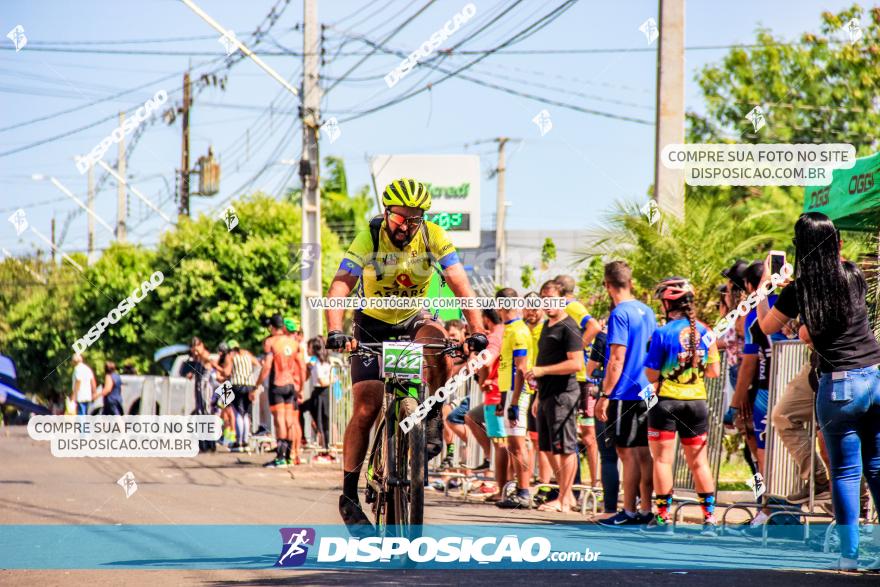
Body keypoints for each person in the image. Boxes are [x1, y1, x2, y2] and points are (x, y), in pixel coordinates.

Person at [323, 178, 487, 533]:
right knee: (367, 405)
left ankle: (428, 416)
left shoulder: (433, 236)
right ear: (387, 213)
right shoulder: (369, 238)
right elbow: (340, 285)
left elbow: (461, 284)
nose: (408, 226)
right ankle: (349, 494)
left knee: (440, 344)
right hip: (372, 325)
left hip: (413, 321)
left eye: (415, 218)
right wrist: (335, 330)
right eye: (402, 218)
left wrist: (477, 330)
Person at [756, 212, 880, 571]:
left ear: (801, 248)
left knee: (845, 472)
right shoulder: (853, 275)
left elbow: (766, 326)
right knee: (875, 467)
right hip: (874, 377)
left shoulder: (800, 290)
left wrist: (765, 288)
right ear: (835, 242)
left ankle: (849, 557)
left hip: (840, 386)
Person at [642, 277, 721, 536]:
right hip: (696, 402)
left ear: (668, 304)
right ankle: (709, 519)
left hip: (666, 402)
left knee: (663, 461)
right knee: (700, 463)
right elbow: (713, 372)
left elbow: (652, 376)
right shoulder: (706, 331)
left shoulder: (663, 333)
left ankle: (663, 519)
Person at [596, 261, 657, 527]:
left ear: (608, 285)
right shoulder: (648, 311)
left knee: (627, 453)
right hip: (647, 389)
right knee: (644, 452)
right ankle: (645, 509)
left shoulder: (620, 313)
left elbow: (617, 358)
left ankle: (629, 511)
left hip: (626, 392)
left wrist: (605, 394)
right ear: (630, 282)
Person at [526, 280, 583, 513]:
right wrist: (539, 395)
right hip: (546, 394)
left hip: (564, 394)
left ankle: (565, 499)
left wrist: (543, 371)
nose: (547, 303)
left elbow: (577, 363)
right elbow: (544, 359)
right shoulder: (548, 325)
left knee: (564, 447)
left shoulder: (569, 327)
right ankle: (565, 495)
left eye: (552, 299)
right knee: (548, 447)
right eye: (544, 299)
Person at [555, 274, 602, 490]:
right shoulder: (567, 306)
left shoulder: (570, 305)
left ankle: (596, 485)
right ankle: (575, 484)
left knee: (587, 435)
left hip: (582, 379)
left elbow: (593, 327)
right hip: (575, 377)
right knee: (573, 433)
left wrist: (576, 349)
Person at [494, 288, 535, 509]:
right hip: (509, 392)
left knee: (519, 445)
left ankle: (525, 492)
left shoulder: (518, 331)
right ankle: (520, 490)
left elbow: (520, 370)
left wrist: (513, 402)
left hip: (518, 393)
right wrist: (502, 399)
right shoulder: (509, 329)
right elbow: (506, 367)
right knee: (513, 445)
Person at [255, 314, 306, 468]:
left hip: (277, 384)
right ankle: (290, 456)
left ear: (272, 326)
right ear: (283, 327)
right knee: (290, 420)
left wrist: (257, 384)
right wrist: (301, 387)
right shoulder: (293, 343)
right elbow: (302, 367)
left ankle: (281, 457)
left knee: (280, 421)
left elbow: (267, 366)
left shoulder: (271, 342)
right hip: (291, 385)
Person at [586, 318, 620, 515]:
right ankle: (641, 508)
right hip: (640, 397)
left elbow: (590, 370)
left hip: (609, 398)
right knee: (639, 456)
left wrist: (603, 379)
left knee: (608, 456)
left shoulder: (604, 337)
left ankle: (609, 509)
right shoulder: (646, 336)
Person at [464, 309, 504, 474]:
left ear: (486, 320)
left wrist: (481, 379)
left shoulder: (494, 337)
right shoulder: (507, 331)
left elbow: (486, 362)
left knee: (500, 443)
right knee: (471, 417)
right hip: (503, 392)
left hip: (496, 394)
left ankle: (500, 483)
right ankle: (490, 460)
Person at [223, 340, 261, 453]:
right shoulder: (247, 354)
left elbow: (227, 372)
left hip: (237, 385)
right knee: (246, 414)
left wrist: (221, 369)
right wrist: (251, 377)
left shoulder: (231, 356)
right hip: (249, 385)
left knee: (238, 412)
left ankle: (239, 441)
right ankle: (245, 441)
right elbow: (258, 365)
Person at [441, 319, 467, 468]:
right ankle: (450, 453)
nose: (452, 340)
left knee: (445, 414)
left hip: (466, 393)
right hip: (449, 393)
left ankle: (451, 453)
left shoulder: (469, 347)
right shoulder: (448, 350)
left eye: (454, 336)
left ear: (462, 332)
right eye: (449, 336)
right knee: (443, 415)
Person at [307, 336, 334, 461]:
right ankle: (325, 448)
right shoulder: (327, 362)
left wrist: (326, 381)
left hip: (320, 393)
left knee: (321, 422)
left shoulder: (317, 363)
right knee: (324, 421)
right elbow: (332, 378)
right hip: (325, 392)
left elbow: (322, 381)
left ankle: (325, 450)